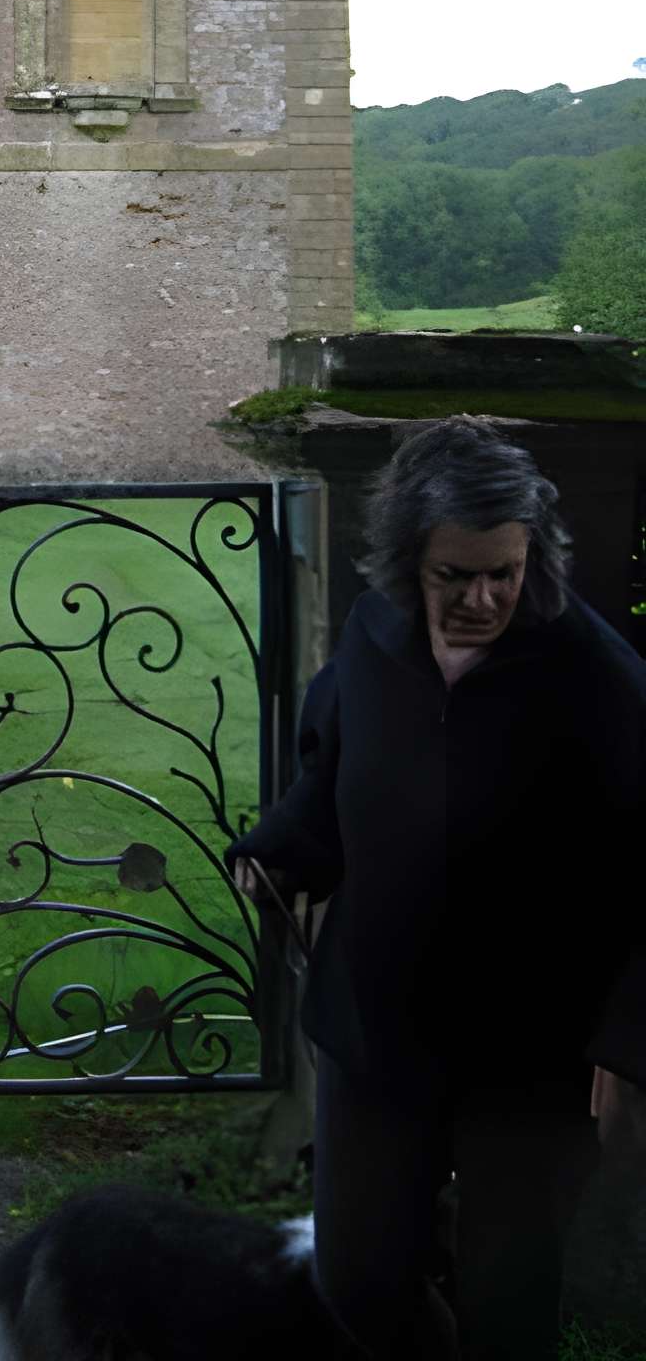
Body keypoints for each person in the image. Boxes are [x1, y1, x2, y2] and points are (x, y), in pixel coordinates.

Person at [228, 415, 646, 1360]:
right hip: (376, 1029)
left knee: (509, 1298)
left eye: (505, 572)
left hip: (529, 1054)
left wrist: (628, 1041)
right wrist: (282, 850)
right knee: (358, 1284)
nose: (483, 598)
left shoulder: (595, 679)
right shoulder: (375, 636)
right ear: (408, 558)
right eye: (454, 575)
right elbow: (333, 774)